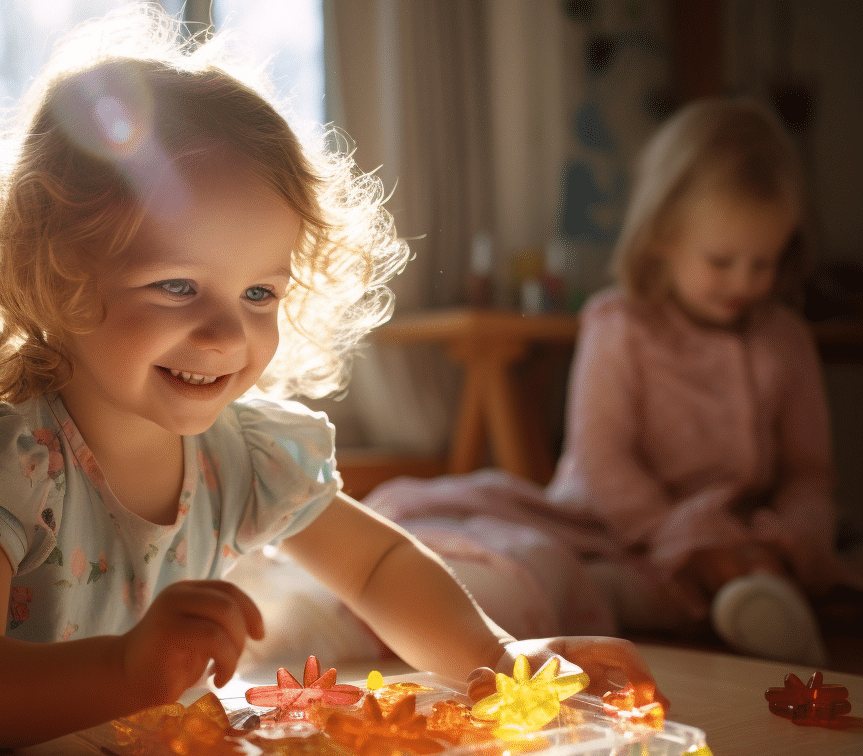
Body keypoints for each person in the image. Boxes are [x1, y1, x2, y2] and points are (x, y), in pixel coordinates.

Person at [0, 6, 663, 750]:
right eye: (178, 285)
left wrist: (497, 660)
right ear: (58, 281)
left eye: (260, 290)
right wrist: (123, 672)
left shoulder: (246, 455)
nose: (227, 330)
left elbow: (378, 563)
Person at [368, 97, 859, 668]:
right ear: (662, 239)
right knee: (557, 567)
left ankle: (750, 597)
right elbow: (604, 461)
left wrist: (788, 537)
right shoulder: (620, 324)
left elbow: (808, 472)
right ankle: (667, 603)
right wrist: (682, 536)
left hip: (743, 533)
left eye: (764, 262)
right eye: (722, 261)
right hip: (610, 526)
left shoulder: (783, 338)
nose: (744, 281)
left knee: (783, 567)